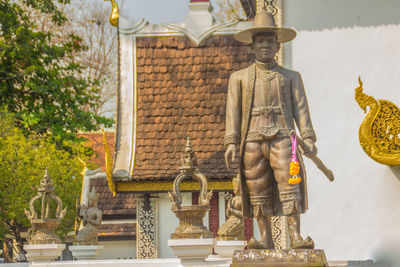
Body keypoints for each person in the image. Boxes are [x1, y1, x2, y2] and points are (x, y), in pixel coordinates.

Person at [224, 5, 316, 249]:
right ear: (252, 46)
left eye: (270, 41)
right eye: (260, 41)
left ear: (278, 45)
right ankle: (265, 238)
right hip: (252, 140)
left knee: (290, 185)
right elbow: (232, 112)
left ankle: (295, 236)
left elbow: (301, 109)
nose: (265, 46)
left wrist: (308, 137)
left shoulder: (290, 77)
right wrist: (232, 142)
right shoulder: (239, 78)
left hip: (284, 138)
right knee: (258, 189)